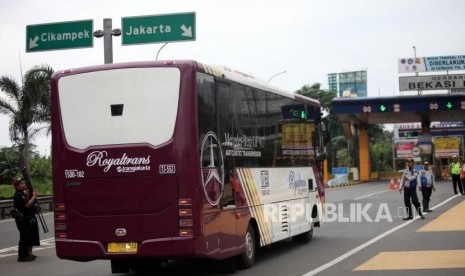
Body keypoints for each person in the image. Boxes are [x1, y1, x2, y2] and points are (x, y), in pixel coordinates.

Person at [12, 178, 38, 262]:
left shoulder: (22, 194)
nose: (24, 184)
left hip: (24, 218)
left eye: (24, 183)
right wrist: (34, 197)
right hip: (21, 219)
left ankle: (26, 255)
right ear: (18, 186)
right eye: (22, 183)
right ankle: (22, 257)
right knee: (24, 237)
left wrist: (27, 196)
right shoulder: (19, 195)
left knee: (26, 237)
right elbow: (27, 205)